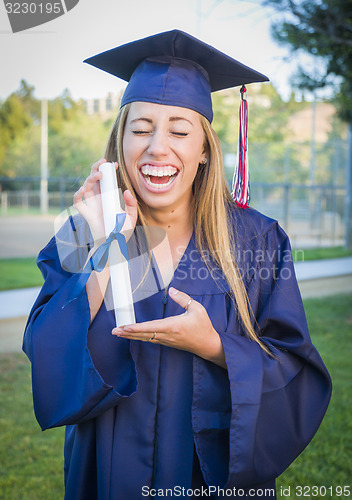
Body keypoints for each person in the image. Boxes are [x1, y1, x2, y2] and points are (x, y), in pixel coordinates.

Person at [23, 30, 332, 500]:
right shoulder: (83, 231)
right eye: (141, 128)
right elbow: (46, 352)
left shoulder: (256, 241)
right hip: (112, 476)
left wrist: (214, 346)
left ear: (205, 149)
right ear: (119, 141)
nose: (157, 148)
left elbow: (297, 375)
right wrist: (106, 244)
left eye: (180, 131)